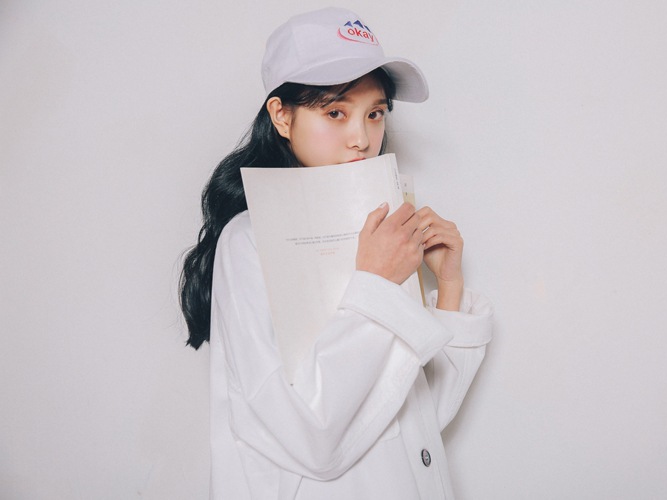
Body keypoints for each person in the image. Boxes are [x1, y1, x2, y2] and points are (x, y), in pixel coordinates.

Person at [180, 7, 493, 499]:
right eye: (335, 113)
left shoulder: (381, 230)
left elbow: (417, 424)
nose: (361, 138)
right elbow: (312, 439)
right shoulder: (246, 241)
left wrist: (449, 288)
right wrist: (378, 284)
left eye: (375, 113)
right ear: (282, 116)